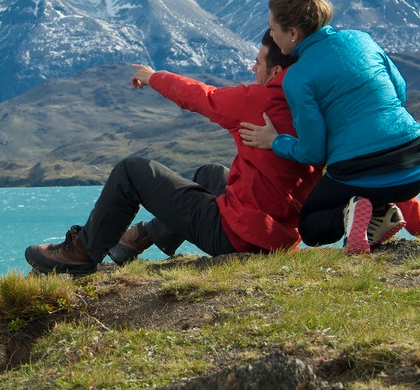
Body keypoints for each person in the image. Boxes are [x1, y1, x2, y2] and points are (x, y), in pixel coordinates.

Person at [24, 31, 322, 276]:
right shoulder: (316, 105)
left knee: (132, 172)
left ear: (277, 71)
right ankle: (140, 237)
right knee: (211, 174)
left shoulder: (263, 100)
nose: (253, 70)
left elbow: (202, 97)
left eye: (258, 63)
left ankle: (82, 254)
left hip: (238, 238)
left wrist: (153, 77)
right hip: (280, 237)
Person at [239, 0, 420, 255]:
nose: (271, 35)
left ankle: (353, 209)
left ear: (293, 33)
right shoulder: (361, 39)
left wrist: (275, 142)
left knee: (312, 226)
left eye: (273, 29)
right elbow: (400, 91)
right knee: (374, 187)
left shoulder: (297, 76)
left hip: (362, 172)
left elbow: (312, 151)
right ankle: (377, 214)